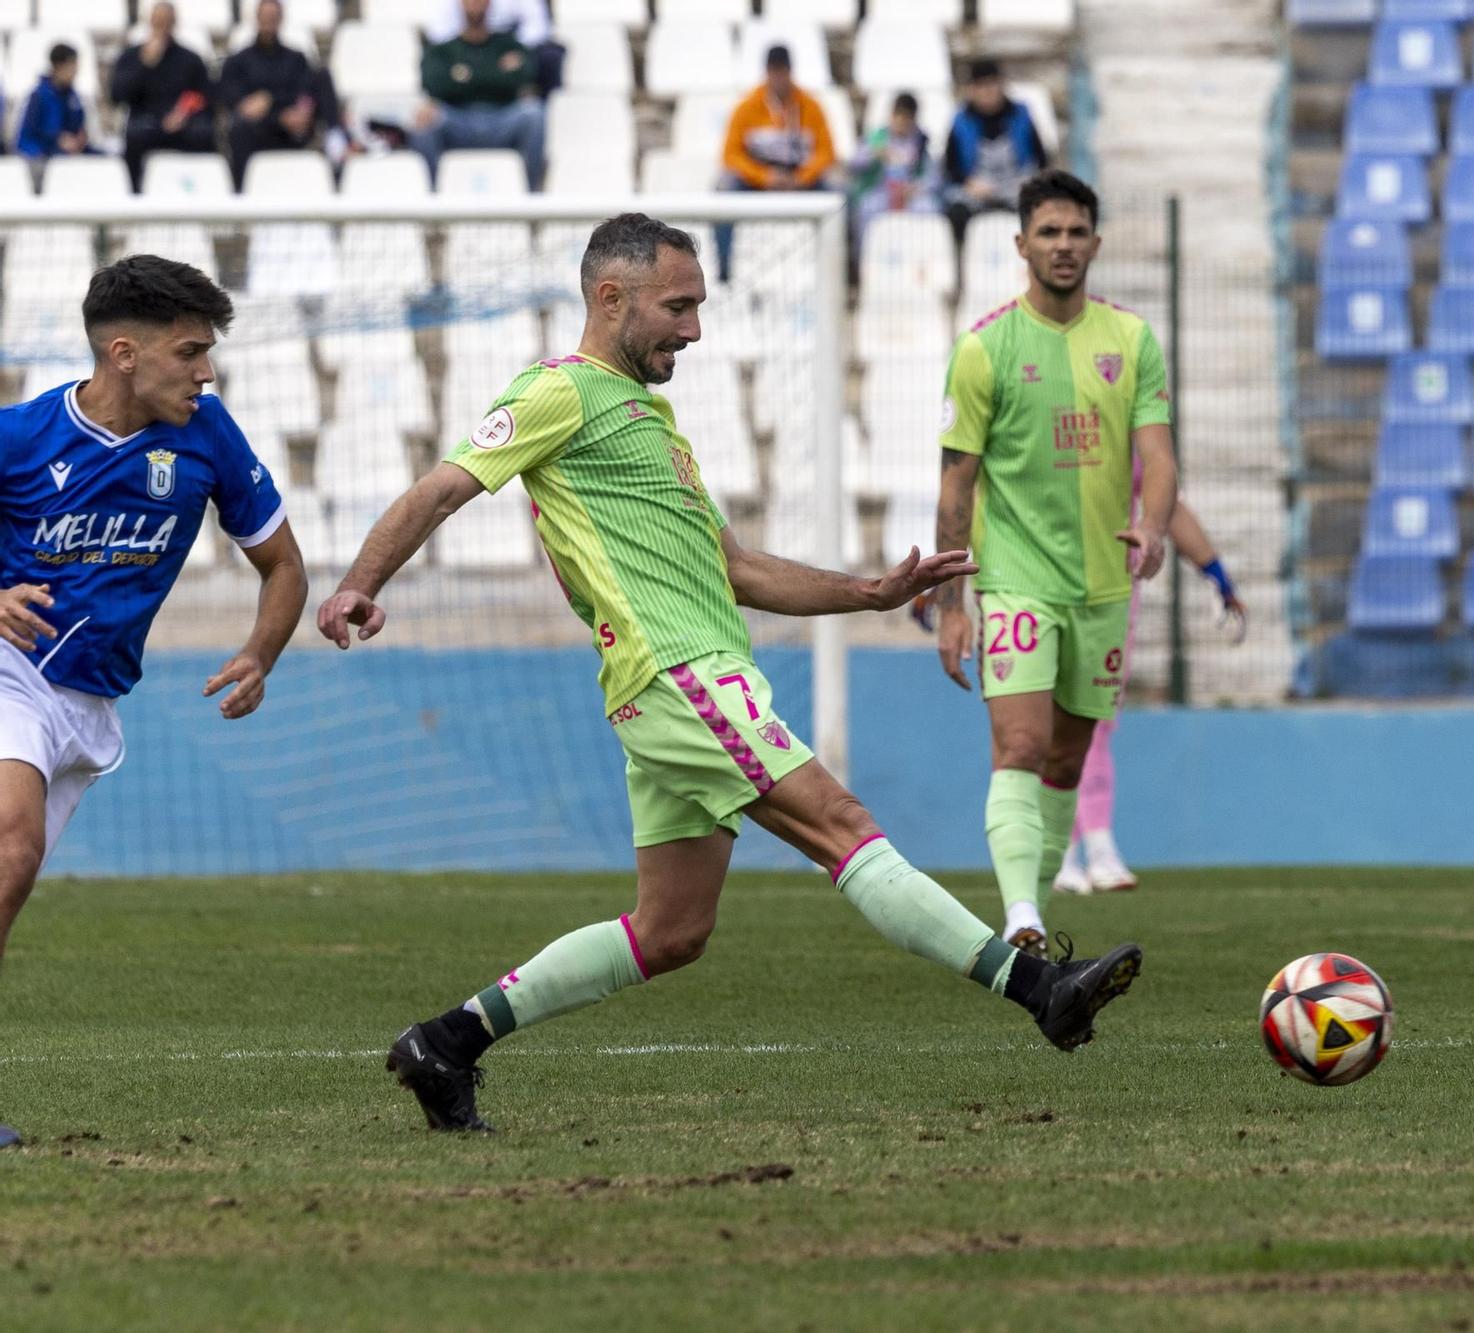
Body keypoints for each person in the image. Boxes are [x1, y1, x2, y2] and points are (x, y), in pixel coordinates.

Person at [315, 214, 1141, 1133]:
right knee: (844, 825)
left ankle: (447, 1042)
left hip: (681, 683)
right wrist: (358, 583)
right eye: (679, 306)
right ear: (609, 297)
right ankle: (1039, 988)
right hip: (679, 675)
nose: (695, 330)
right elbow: (443, 486)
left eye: (699, 307)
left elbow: (736, 566)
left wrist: (869, 592)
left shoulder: (650, 418)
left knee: (670, 932)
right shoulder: (559, 393)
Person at [0, 255, 306, 1147]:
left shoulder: (207, 437)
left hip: (90, 710)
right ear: (125, 353)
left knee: (7, 888)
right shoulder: (21, 436)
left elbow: (282, 563)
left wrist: (260, 651)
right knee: (10, 853)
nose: (206, 372)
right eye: (191, 352)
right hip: (10, 671)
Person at [932, 170, 1179, 958]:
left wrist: (1155, 525)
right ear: (1021, 244)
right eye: (1049, 232)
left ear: (1096, 244)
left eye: (1076, 233)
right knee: (1023, 746)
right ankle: (1022, 917)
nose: (1063, 246)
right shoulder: (983, 348)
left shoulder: (1133, 340)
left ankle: (1033, 907)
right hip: (1015, 582)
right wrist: (951, 603)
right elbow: (956, 482)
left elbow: (1161, 457)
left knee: (1068, 758)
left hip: (1104, 587)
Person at [1053, 505, 1245, 895]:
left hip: (1114, 592)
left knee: (1094, 720)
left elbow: (1167, 504)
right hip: (1042, 584)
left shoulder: (1135, 443)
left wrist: (1217, 575)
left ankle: (1094, 849)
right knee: (1046, 722)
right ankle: (1062, 851)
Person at [715, 45, 836, 280]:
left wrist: (801, 178)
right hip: (758, 182)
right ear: (767, 72)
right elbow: (730, 155)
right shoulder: (747, 107)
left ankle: (837, 270)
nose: (779, 78)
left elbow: (826, 153)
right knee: (725, 188)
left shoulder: (811, 107)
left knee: (837, 192)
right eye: (774, 71)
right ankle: (724, 272)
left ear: (791, 72)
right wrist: (764, 177)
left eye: (783, 71)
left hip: (800, 180)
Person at [411, 0, 546, 192]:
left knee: (533, 114)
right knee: (425, 120)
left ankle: (532, 197)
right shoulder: (443, 50)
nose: (476, 4)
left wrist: (464, 76)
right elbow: (434, 84)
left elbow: (524, 75)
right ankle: (432, 201)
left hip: (502, 118)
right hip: (458, 119)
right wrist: (496, 72)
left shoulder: (509, 44)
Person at [218, 0, 337, 189]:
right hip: (259, 129)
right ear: (256, 18)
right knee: (240, 127)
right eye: (265, 17)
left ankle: (336, 142)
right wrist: (270, 110)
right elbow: (236, 99)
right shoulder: (238, 61)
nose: (269, 22)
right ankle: (240, 193)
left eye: (273, 17)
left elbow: (304, 93)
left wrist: (273, 101)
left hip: (292, 128)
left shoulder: (296, 59)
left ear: (281, 19)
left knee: (323, 76)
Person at [111, 2, 217, 191]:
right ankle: (134, 196)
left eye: (166, 22)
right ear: (149, 23)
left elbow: (204, 97)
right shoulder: (131, 57)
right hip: (146, 122)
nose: (161, 27)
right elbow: (118, 96)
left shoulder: (190, 59)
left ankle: (203, 190)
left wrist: (183, 114)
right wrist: (145, 65)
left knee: (205, 134)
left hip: (184, 123)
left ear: (174, 23)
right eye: (157, 22)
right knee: (134, 136)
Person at [943, 58, 1048, 246]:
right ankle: (964, 264)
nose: (988, 91)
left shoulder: (1022, 115)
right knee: (956, 211)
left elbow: (1041, 160)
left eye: (992, 84)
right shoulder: (960, 121)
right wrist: (971, 184)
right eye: (981, 86)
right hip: (976, 189)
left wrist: (1027, 183)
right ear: (972, 90)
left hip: (1015, 185)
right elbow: (950, 167)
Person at [849, 91, 939, 257]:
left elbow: (933, 177)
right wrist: (874, 154)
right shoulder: (877, 137)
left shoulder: (920, 142)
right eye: (898, 116)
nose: (901, 122)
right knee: (867, 208)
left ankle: (920, 259)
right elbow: (854, 165)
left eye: (906, 118)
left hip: (910, 195)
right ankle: (865, 259)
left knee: (928, 208)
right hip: (879, 191)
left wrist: (917, 188)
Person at [424, 0, 564, 96]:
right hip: (464, 51)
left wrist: (515, 50)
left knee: (549, 56)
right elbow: (438, 32)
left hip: (507, 50)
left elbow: (537, 26)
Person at [16, 43, 92, 172]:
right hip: (41, 156)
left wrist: (79, 139)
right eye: (72, 65)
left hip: (66, 155)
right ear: (59, 66)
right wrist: (57, 140)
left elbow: (78, 127)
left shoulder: (73, 97)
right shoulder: (39, 96)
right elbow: (29, 135)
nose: (76, 71)